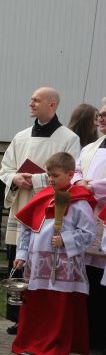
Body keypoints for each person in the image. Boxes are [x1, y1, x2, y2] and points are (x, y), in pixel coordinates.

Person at [0, 87, 81, 335]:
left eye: (36, 100)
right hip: (22, 206)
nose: (31, 103)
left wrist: (33, 180)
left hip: (49, 212)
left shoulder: (69, 139)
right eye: (31, 99)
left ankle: (39, 317)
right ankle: (18, 317)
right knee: (19, 260)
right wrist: (14, 178)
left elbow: (71, 174)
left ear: (52, 104)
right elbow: (5, 169)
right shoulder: (21, 136)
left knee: (43, 265)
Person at [11, 152, 96, 355]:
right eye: (49, 175)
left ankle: (53, 346)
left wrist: (66, 240)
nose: (50, 179)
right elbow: (26, 228)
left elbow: (89, 233)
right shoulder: (41, 197)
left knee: (57, 309)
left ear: (70, 174)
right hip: (37, 265)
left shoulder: (79, 201)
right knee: (36, 308)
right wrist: (22, 254)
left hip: (63, 267)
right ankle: (31, 344)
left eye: (55, 175)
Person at [71, 99, 106, 353]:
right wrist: (81, 182)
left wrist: (92, 186)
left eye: (105, 116)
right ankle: (89, 336)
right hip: (88, 217)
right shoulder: (89, 147)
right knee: (89, 282)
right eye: (100, 116)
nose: (100, 120)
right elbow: (75, 171)